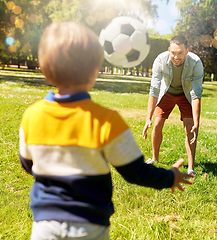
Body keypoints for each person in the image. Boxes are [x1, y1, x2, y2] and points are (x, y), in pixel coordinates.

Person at [19, 22, 193, 240]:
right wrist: (169, 177)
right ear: (94, 71)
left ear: (44, 69)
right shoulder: (107, 121)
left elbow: (28, 163)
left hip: (44, 226)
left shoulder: (32, 116)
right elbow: (135, 172)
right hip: (90, 226)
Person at [142, 36, 204, 175]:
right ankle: (154, 158)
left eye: (180, 52)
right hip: (167, 92)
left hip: (185, 94)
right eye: (173, 52)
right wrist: (148, 118)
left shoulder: (196, 62)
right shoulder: (160, 60)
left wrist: (196, 122)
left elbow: (196, 94)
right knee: (157, 124)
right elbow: (154, 89)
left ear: (187, 51)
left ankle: (190, 167)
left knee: (190, 128)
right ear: (169, 50)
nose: (176, 57)